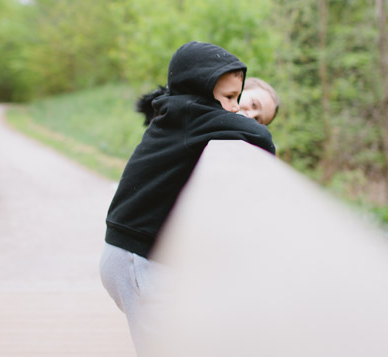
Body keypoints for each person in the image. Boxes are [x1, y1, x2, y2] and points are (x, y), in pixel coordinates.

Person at [100, 41, 276, 355]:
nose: (237, 110)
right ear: (202, 88)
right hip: (136, 258)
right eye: (231, 99)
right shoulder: (191, 113)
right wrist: (254, 127)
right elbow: (261, 137)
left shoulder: (181, 111)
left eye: (257, 114)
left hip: (133, 252)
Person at [137, 77, 280, 126]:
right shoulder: (190, 101)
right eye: (254, 105)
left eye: (258, 120)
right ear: (241, 87)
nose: (250, 115)